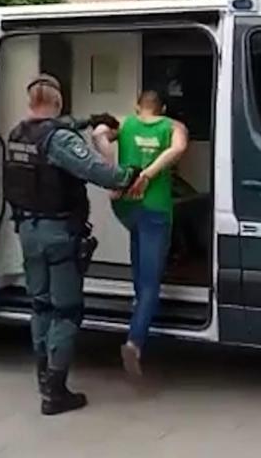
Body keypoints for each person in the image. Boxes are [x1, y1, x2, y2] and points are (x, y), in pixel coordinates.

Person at [3, 74, 140, 416]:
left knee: (41, 306)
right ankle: (56, 393)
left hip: (28, 231)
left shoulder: (18, 133)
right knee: (66, 311)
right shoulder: (60, 139)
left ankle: (43, 378)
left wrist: (92, 121)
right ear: (59, 102)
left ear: (31, 100)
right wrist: (129, 174)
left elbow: (58, 126)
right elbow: (99, 171)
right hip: (58, 234)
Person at [111, 90, 188, 377]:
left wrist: (112, 171)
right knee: (150, 283)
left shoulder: (124, 123)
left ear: (137, 106)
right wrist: (150, 173)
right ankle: (134, 342)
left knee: (138, 257)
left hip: (126, 207)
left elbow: (99, 133)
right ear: (163, 108)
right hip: (156, 210)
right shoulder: (173, 127)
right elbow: (178, 149)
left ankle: (136, 307)